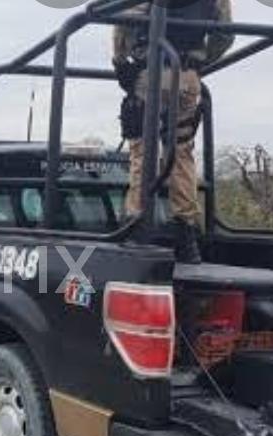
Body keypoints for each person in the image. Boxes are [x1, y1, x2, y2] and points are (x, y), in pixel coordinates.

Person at [113, 0, 233, 264]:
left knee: (142, 149)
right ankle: (186, 236)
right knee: (181, 151)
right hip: (187, 75)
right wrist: (198, 63)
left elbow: (123, 21)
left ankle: (136, 223)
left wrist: (121, 61)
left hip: (150, 70)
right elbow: (224, 35)